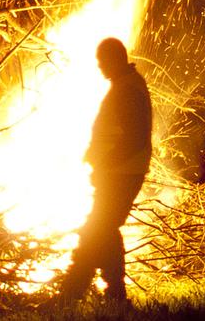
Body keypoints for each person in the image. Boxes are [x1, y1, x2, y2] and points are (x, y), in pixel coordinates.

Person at [59, 38, 152, 306]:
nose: (100, 68)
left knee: (97, 229)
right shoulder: (126, 85)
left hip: (121, 173)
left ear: (114, 59)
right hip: (119, 171)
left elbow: (134, 138)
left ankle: (72, 294)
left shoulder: (127, 90)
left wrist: (105, 165)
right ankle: (112, 295)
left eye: (102, 63)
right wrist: (93, 154)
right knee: (104, 230)